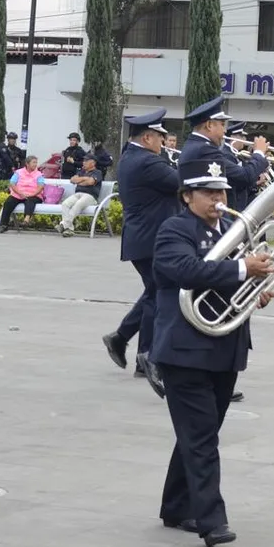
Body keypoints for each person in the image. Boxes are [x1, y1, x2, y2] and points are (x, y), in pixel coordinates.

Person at [151, 157, 274, 547]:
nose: (218, 199)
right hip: (185, 351)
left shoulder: (236, 233)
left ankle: (176, 505)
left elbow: (226, 283)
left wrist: (255, 291)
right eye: (208, 192)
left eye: (221, 191)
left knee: (198, 432)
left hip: (225, 347)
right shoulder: (174, 229)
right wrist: (243, 272)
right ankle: (211, 521)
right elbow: (187, 270)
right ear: (187, 196)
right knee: (202, 437)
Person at [104, 109, 178, 391]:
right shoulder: (147, 162)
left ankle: (124, 341)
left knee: (155, 292)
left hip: (145, 238)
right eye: (160, 137)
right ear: (147, 137)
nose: (164, 142)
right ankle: (144, 356)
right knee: (158, 295)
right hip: (151, 239)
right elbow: (182, 183)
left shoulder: (136, 157)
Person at [58, 154, 103, 236]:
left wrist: (80, 181)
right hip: (78, 194)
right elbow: (72, 180)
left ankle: (64, 225)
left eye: (86, 161)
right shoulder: (81, 171)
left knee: (78, 204)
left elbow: (91, 182)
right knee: (65, 204)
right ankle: (69, 229)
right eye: (84, 161)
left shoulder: (98, 172)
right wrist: (85, 179)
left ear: (93, 163)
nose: (83, 162)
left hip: (90, 196)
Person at [0, 155, 45, 232]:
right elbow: (12, 184)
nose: (35, 164)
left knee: (30, 201)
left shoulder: (39, 174)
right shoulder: (19, 172)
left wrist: (32, 194)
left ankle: (26, 220)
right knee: (8, 202)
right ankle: (3, 225)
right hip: (19, 194)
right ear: (27, 163)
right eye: (33, 162)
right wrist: (20, 193)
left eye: (36, 162)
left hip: (34, 195)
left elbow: (41, 186)